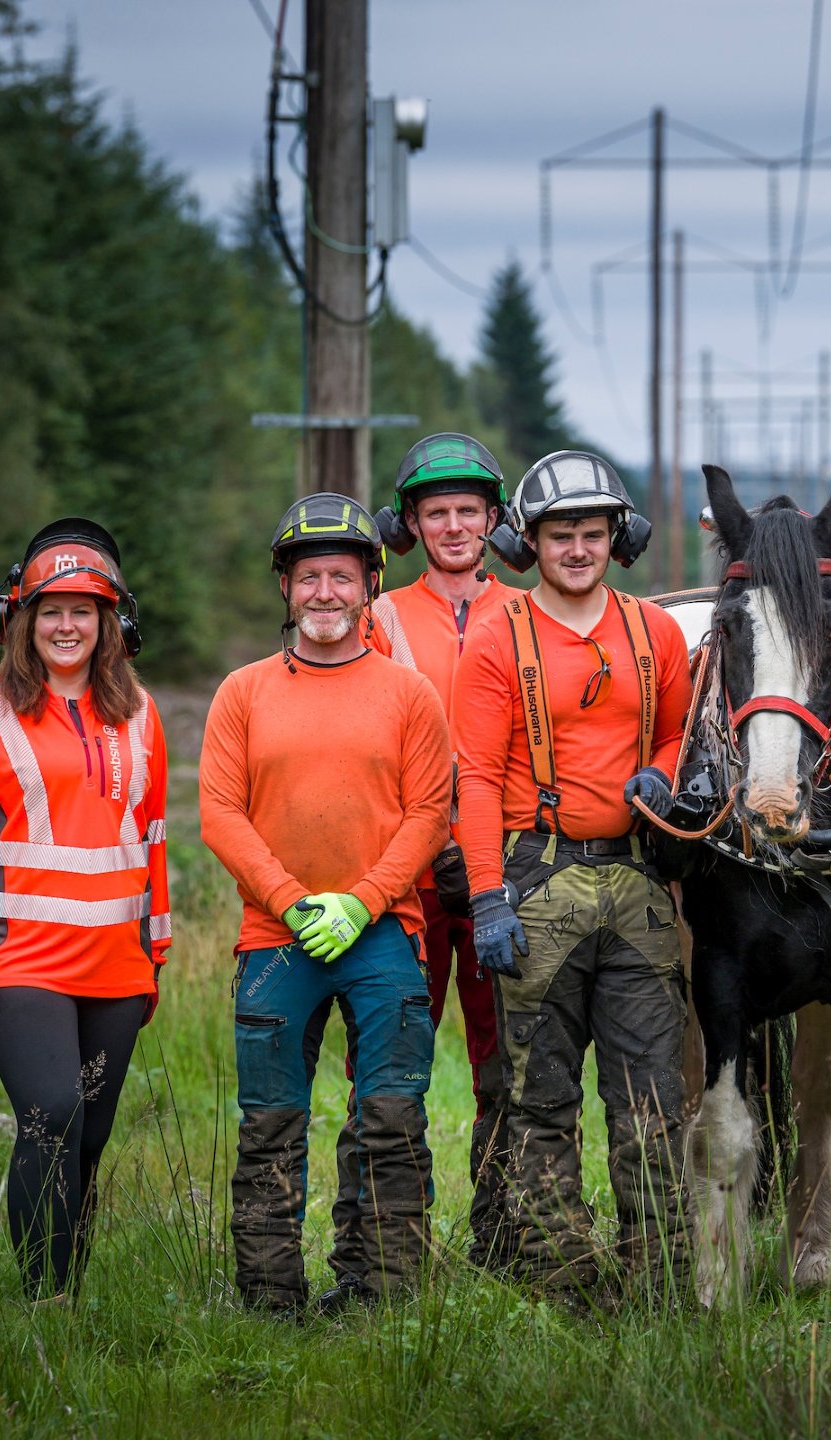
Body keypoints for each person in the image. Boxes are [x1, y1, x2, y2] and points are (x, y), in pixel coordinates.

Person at [199, 494, 450, 1314]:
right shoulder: (243, 692)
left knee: (391, 1118)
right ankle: (271, 1302)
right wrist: (292, 900)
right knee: (270, 1124)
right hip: (276, 940)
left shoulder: (410, 695)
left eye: (343, 577)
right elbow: (219, 814)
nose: (326, 594)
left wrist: (366, 900)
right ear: (285, 587)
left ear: (370, 585)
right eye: (310, 578)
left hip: (384, 936)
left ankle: (377, 1290)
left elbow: (429, 814)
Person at [453, 451, 694, 1298]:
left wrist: (661, 773)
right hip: (536, 876)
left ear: (616, 537)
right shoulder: (495, 638)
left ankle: (661, 1284)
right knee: (539, 1096)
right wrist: (487, 894)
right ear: (531, 543)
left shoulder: (655, 632)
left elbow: (677, 735)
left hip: (636, 880)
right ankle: (565, 1284)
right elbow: (475, 777)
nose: (579, 548)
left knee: (655, 1101)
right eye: (562, 534)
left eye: (594, 532)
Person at [0, 518, 168, 1302]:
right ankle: (45, 1303)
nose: (66, 625)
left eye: (84, 610)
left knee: (90, 1141)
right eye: (51, 610)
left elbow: (153, 841)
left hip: (116, 964)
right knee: (52, 1114)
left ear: (110, 623)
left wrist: (154, 955)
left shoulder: (141, 712)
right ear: (21, 618)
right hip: (20, 959)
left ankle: (70, 1294)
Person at [369, 431, 517, 1267]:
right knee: (393, 1056)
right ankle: (394, 1239)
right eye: (437, 514)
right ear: (411, 525)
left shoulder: (526, 614)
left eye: (468, 512)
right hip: (408, 871)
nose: (454, 527)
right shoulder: (380, 616)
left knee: (508, 1064)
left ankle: (503, 1231)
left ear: (494, 521)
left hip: (502, 870)